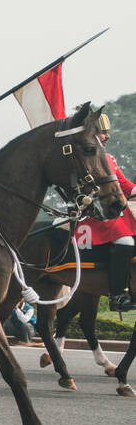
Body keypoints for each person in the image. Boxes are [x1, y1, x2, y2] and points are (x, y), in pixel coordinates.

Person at [73, 112, 136, 311]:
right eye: (103, 132)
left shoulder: (110, 158)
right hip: (99, 216)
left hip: (118, 215)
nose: (107, 136)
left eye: (107, 132)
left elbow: (125, 186)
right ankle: (117, 295)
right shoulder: (87, 160)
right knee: (125, 241)